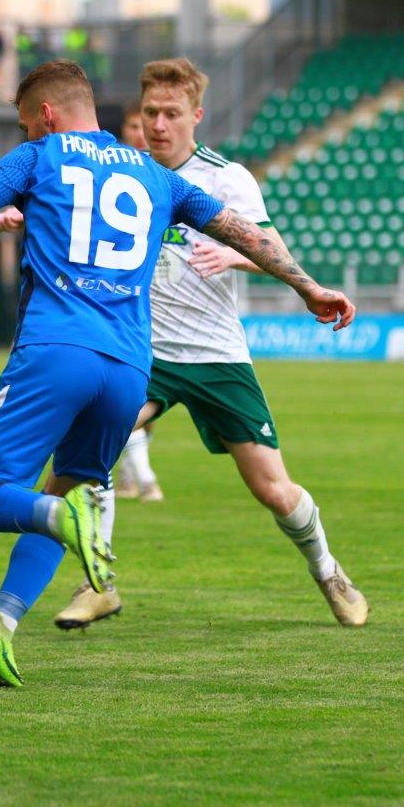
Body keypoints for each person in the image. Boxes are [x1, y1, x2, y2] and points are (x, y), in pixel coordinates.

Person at [0, 60, 354, 688]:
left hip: (56, 352)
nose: (27, 134)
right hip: (129, 369)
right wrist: (309, 287)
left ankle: (57, 519)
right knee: (64, 492)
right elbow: (246, 234)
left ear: (44, 115)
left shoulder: (37, 157)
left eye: (25, 124)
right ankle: (1, 626)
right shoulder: (155, 174)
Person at [49, 58, 371, 631]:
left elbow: (273, 250)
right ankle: (98, 584)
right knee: (96, 440)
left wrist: (234, 253)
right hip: (145, 352)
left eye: (172, 113)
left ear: (196, 115)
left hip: (216, 355)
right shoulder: (126, 175)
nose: (159, 124)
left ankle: (328, 571)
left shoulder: (226, 179)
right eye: (151, 112)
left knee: (273, 489)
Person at [111, 99, 165, 502]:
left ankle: (131, 475)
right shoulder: (113, 177)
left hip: (163, 304)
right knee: (132, 398)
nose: (141, 133)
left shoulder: (164, 177)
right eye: (134, 125)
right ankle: (145, 479)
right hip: (122, 303)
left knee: (147, 403)